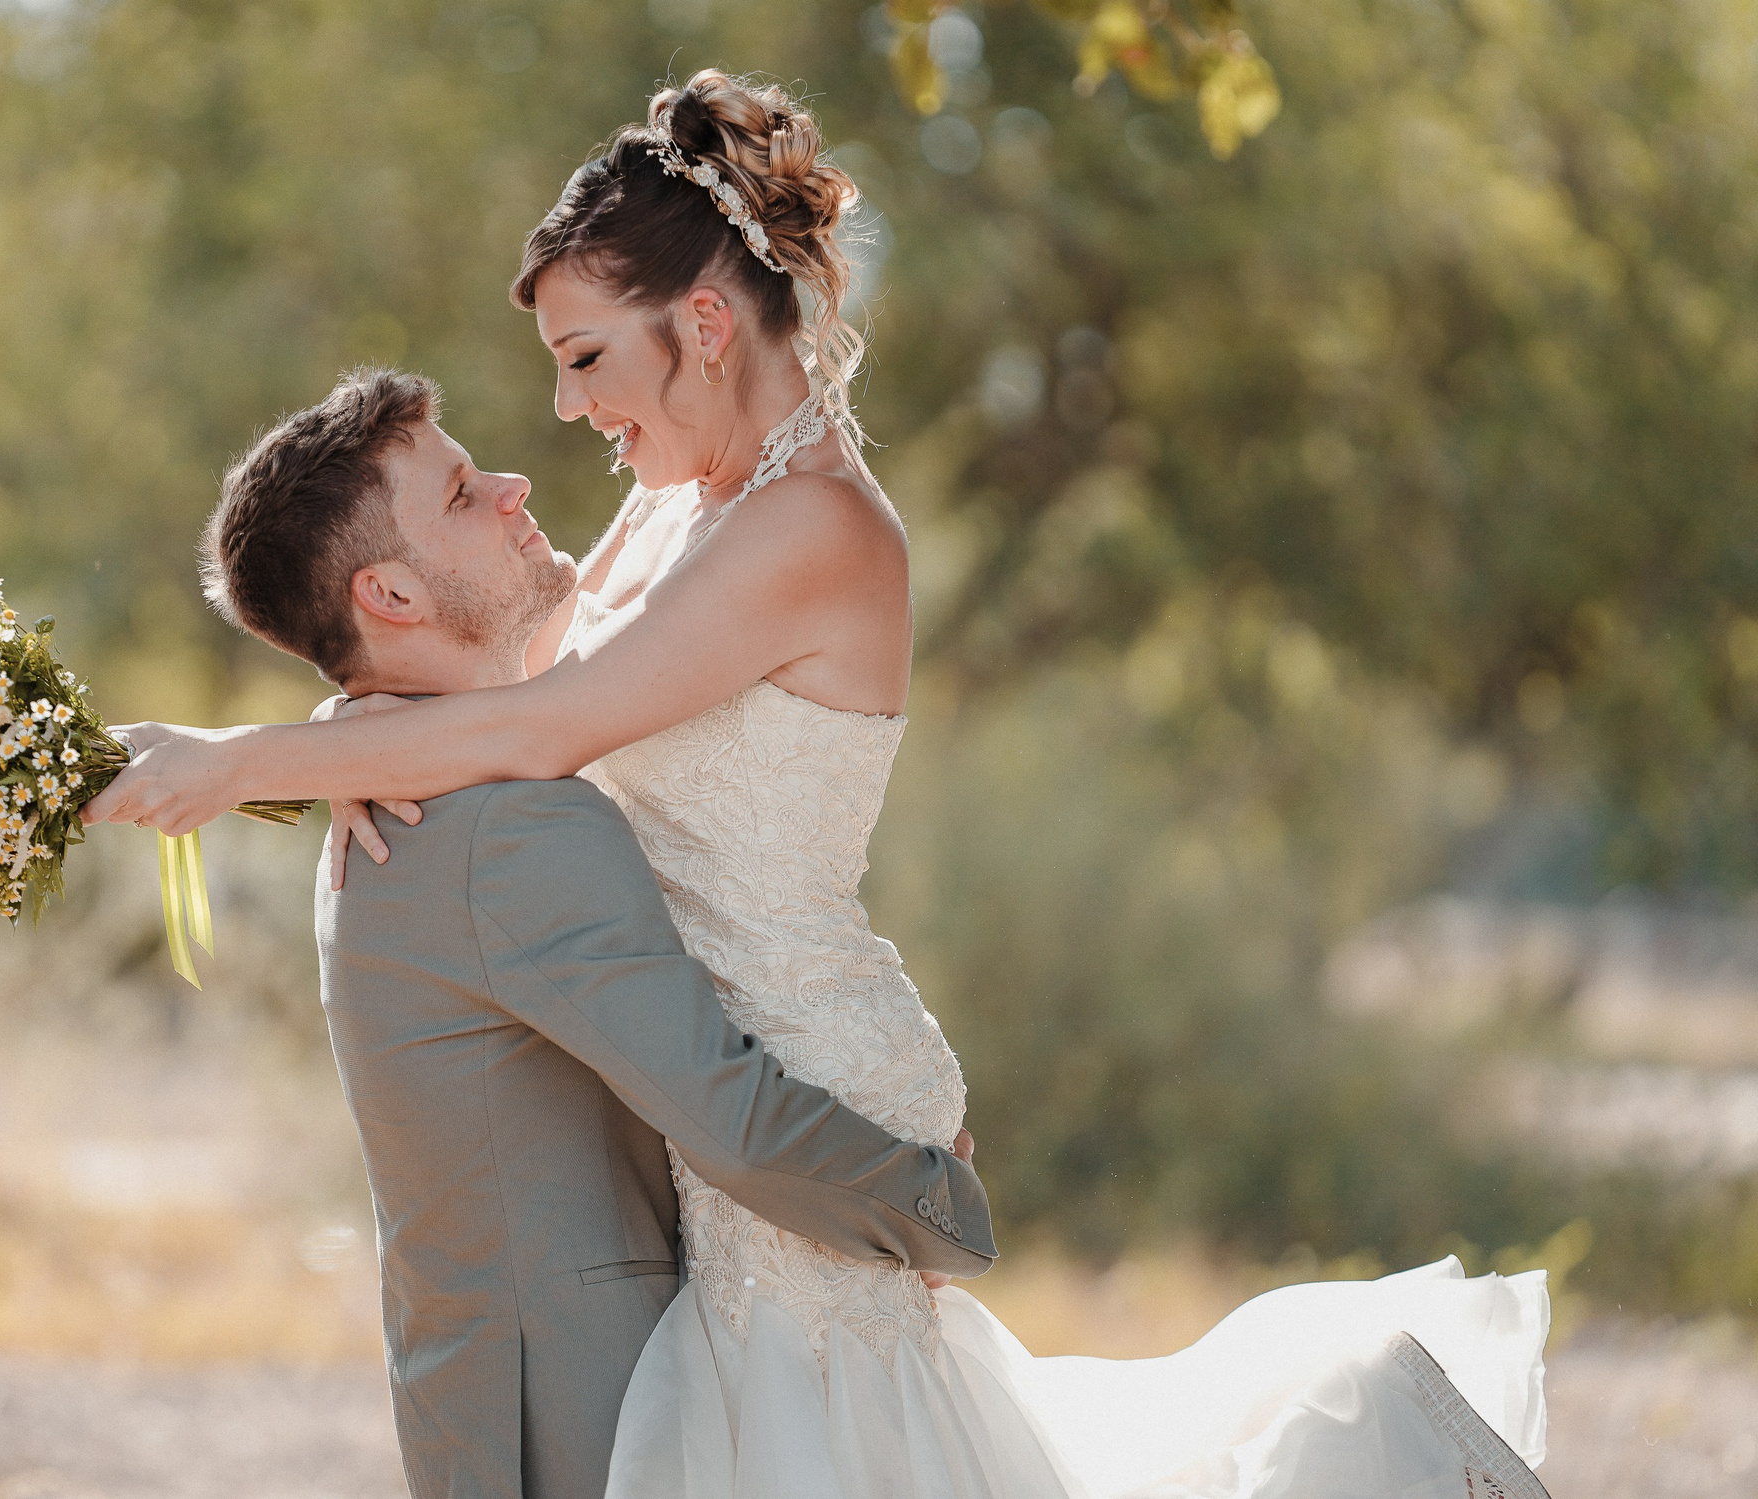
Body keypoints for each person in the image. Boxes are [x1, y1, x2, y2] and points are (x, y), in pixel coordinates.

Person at [87, 72, 1552, 1497]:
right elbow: (489, 679)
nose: (568, 411)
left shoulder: (813, 530)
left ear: (706, 323)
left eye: (588, 358)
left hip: (803, 1063)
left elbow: (553, 724)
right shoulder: (674, 505)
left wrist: (247, 765)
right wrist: (350, 726)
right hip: (720, 1088)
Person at [197, 367, 995, 1499]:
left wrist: (344, 727)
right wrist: (941, 1207)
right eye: (466, 493)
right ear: (390, 596)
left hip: (494, 1405)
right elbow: (737, 1126)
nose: (516, 484)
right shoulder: (511, 827)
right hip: (591, 1418)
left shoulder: (398, 794)